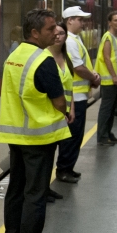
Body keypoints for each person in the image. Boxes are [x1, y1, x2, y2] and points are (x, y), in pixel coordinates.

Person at [0, 9, 71, 233]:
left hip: (15, 135)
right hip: (39, 139)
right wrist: (67, 111)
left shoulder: (14, 56)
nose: (56, 33)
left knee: (16, 190)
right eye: (51, 29)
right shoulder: (44, 61)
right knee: (35, 194)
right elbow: (59, 101)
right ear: (35, 32)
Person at [56, 7, 100, 184]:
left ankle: (69, 168)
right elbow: (78, 67)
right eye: (80, 19)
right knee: (72, 136)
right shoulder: (71, 41)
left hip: (80, 96)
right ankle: (64, 169)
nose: (83, 23)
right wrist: (94, 78)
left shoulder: (75, 39)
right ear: (69, 21)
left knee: (76, 136)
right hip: (74, 97)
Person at [45, 22, 75, 203]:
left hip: (63, 113)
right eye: (54, 33)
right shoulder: (45, 58)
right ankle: (44, 189)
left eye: (62, 33)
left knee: (54, 152)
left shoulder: (66, 57)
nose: (58, 36)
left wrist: (72, 109)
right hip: (51, 114)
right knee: (47, 155)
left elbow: (71, 87)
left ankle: (47, 187)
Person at [94, 11, 117, 147]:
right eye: (115, 20)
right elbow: (107, 57)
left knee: (112, 108)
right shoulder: (108, 37)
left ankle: (108, 133)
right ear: (109, 22)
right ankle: (102, 136)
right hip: (109, 81)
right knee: (106, 109)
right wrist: (113, 75)